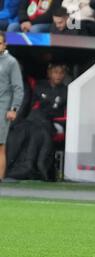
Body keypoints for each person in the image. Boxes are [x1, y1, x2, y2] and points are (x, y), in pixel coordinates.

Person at [0, 31, 23, 182]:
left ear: (5, 44)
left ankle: (0, 178)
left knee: (0, 145)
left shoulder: (11, 62)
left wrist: (13, 108)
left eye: (0, 43)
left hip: (2, 107)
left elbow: (18, 88)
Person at [31, 63, 67, 134]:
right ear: (49, 74)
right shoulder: (40, 87)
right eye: (55, 72)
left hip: (57, 122)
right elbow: (32, 105)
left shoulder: (66, 90)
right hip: (38, 120)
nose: (58, 75)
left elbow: (58, 104)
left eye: (61, 73)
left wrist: (47, 98)